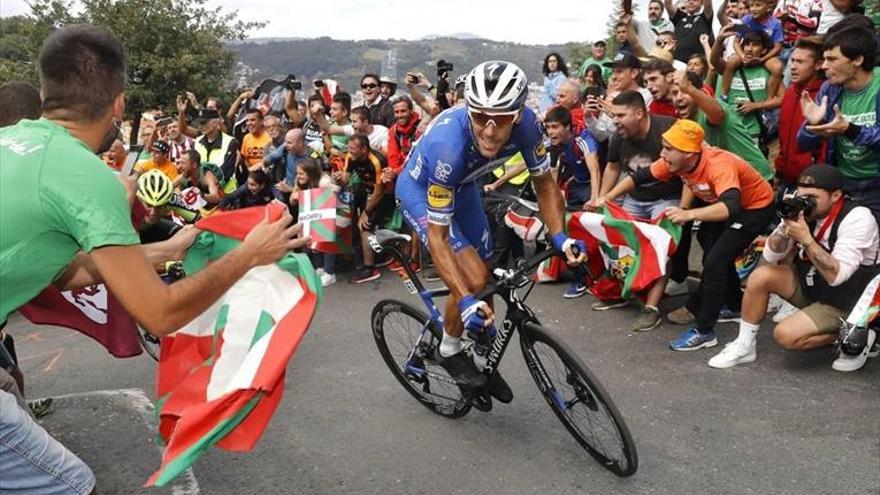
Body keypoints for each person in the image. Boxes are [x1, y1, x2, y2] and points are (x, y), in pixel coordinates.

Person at [0, 24, 306, 495]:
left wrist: (170, 248)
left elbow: (65, 270)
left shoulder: (16, 141)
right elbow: (161, 315)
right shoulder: (86, 175)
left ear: (44, 92)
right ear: (119, 104)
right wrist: (248, 256)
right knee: (70, 485)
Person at [395, 61, 586, 395]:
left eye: (501, 119)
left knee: (486, 272)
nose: (489, 130)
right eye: (480, 116)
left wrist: (560, 234)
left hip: (465, 186)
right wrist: (466, 299)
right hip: (423, 192)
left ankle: (478, 346)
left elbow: (544, 184)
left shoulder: (529, 126)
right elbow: (438, 239)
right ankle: (449, 349)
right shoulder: (448, 146)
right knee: (473, 280)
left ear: (518, 114)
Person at [598, 119, 775, 351]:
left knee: (714, 261)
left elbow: (729, 208)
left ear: (690, 153)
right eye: (663, 147)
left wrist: (688, 214)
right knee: (708, 242)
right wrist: (608, 197)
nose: (662, 154)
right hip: (724, 206)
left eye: (668, 149)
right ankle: (733, 303)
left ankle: (704, 331)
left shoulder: (718, 165)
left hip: (754, 208)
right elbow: (639, 177)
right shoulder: (676, 161)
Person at [708, 165, 879, 371]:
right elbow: (771, 255)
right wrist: (786, 227)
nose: (806, 202)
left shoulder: (858, 218)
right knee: (762, 276)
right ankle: (745, 345)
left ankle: (857, 335)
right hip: (815, 286)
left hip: (849, 299)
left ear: (835, 195)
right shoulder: (803, 213)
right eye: (801, 195)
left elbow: (837, 276)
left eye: (812, 197)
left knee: (786, 335)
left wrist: (806, 239)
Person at [594, 91, 684, 329]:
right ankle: (623, 293)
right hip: (635, 198)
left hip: (667, 197)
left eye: (621, 115)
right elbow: (612, 166)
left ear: (639, 113)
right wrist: (602, 198)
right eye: (613, 115)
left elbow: (689, 169)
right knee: (621, 244)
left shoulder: (668, 130)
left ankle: (651, 307)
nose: (615, 120)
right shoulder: (618, 137)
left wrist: (684, 208)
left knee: (660, 248)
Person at [798, 24, 880, 224]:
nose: (824, 66)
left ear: (858, 60)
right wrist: (813, 123)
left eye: (832, 59)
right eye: (824, 59)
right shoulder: (830, 88)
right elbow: (803, 144)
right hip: (844, 182)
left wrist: (849, 129)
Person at [338, 134, 395, 284]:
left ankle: (369, 268)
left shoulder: (377, 161)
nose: (350, 152)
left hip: (385, 193)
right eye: (349, 148)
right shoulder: (350, 157)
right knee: (347, 211)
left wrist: (365, 213)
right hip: (364, 188)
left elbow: (379, 192)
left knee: (365, 224)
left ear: (364, 149)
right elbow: (345, 179)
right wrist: (339, 178)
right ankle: (356, 254)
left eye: (353, 149)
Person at [718, 0, 785, 103]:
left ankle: (769, 98)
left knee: (777, 67)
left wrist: (762, 59)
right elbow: (736, 42)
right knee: (731, 61)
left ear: (768, 6)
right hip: (746, 53)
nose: (753, 9)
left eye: (758, 5)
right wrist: (742, 56)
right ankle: (724, 94)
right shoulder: (745, 20)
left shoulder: (775, 23)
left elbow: (777, 47)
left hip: (765, 55)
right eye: (751, 5)